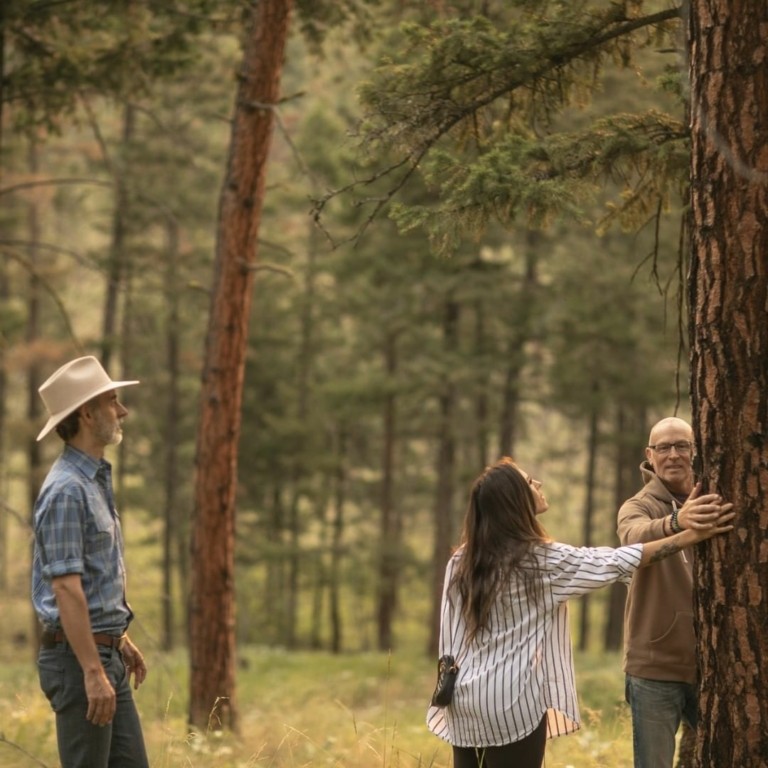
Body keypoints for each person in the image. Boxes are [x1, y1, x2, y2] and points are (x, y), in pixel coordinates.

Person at [426, 456, 733, 768]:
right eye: (530, 482)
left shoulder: (462, 560)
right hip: (511, 702)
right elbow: (617, 560)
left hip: (462, 700)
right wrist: (688, 534)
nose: (539, 484)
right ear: (515, 501)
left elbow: (450, 637)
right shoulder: (541, 560)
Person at [31, 355, 150, 768]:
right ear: (86, 413)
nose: (122, 411)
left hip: (103, 655)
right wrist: (93, 670)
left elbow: (97, 576)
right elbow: (66, 588)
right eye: (112, 401)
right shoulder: (67, 490)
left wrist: (119, 639)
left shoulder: (92, 480)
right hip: (81, 662)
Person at [618, 417, 715, 768]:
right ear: (650, 454)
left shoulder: (715, 496)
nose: (673, 455)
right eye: (663, 447)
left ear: (695, 449)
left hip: (715, 665)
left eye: (682, 446)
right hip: (654, 669)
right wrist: (678, 522)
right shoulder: (638, 505)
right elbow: (632, 539)